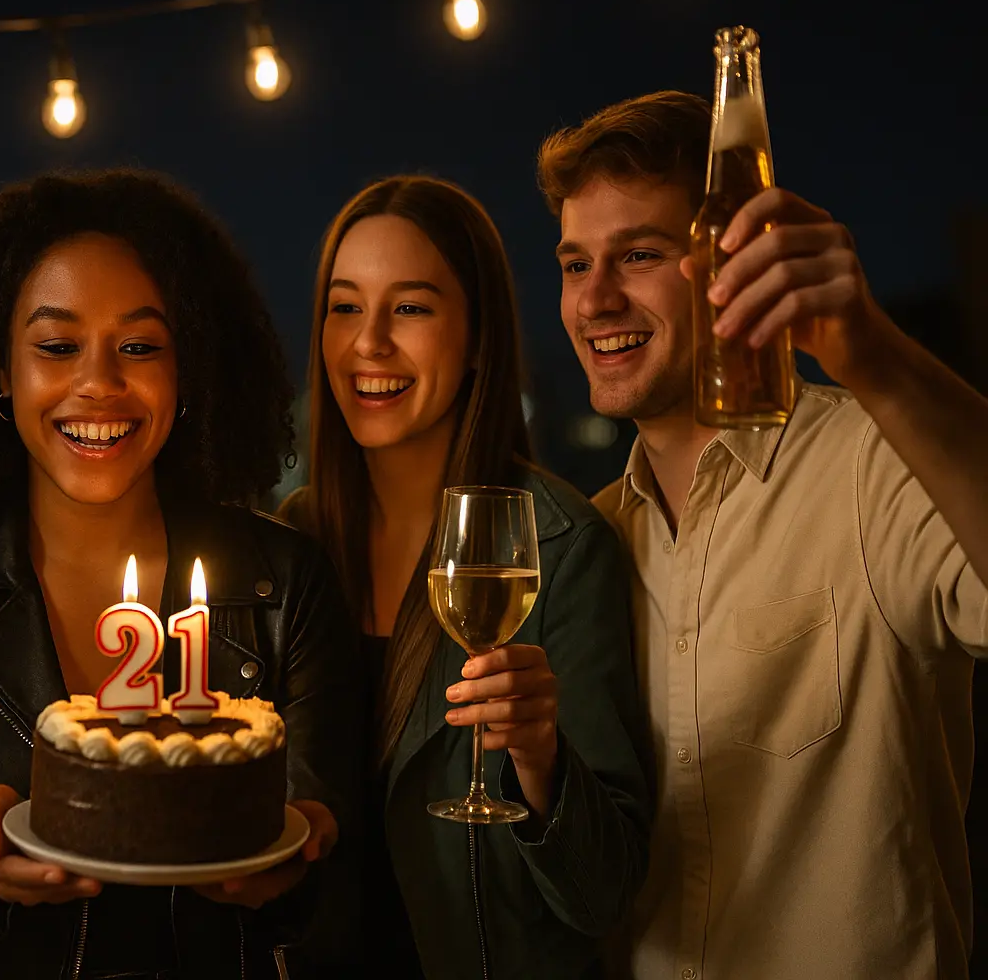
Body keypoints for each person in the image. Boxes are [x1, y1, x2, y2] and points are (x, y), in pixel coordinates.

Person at [0, 169, 363, 979]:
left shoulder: (284, 579)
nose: (99, 383)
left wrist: (288, 875)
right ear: (0, 374)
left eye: (140, 346)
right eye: (56, 347)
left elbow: (341, 894)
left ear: (187, 369)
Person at [538, 91, 988, 979]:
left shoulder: (871, 463)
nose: (595, 298)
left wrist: (872, 352)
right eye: (573, 262)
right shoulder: (588, 540)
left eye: (638, 255)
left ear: (726, 259)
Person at [279, 175, 653, 980]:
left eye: (410, 308)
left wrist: (542, 758)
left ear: (481, 337)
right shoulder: (290, 545)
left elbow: (603, 895)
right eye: (345, 307)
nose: (369, 342)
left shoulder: (559, 547)